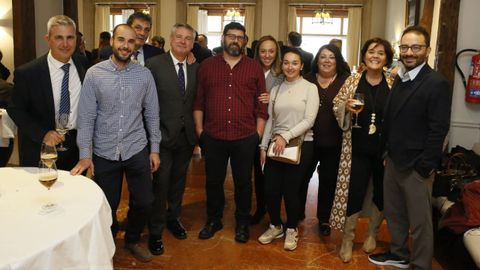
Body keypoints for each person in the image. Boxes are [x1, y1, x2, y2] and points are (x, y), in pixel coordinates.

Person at [70, 24, 161, 263]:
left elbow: (152, 115)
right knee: (106, 206)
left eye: (131, 42)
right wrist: (85, 154)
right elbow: (86, 117)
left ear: (136, 45)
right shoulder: (94, 74)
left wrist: (154, 149)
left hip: (136, 148)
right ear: (112, 40)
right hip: (104, 150)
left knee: (145, 201)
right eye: (121, 40)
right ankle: (107, 245)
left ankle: (132, 239)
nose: (125, 46)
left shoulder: (144, 75)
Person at [368, 26, 451, 270]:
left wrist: (425, 165)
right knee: (395, 214)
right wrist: (386, 153)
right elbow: (394, 119)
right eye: (404, 47)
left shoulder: (436, 83)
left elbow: (439, 129)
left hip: (417, 166)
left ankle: (421, 264)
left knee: (420, 221)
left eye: (416, 47)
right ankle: (399, 253)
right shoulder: (400, 78)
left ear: (427, 50)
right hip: (394, 160)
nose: (409, 52)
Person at [193, 22, 268, 243]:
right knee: (213, 182)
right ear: (223, 38)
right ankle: (213, 220)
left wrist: (257, 136)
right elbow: (199, 102)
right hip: (213, 136)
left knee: (243, 183)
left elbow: (261, 106)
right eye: (231, 36)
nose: (235, 40)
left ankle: (242, 223)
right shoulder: (207, 66)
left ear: (245, 41)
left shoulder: (254, 67)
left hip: (245, 137)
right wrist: (200, 131)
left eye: (240, 37)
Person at [330, 38, 394, 263]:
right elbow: (336, 105)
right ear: (364, 55)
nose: (375, 56)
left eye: (380, 52)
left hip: (385, 151)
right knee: (353, 192)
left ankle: (371, 234)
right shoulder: (352, 80)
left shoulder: (393, 82)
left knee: (381, 192)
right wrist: (345, 109)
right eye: (370, 51)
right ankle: (348, 239)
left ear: (387, 57)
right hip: (356, 149)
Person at [258, 48, 319, 251]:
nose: (290, 66)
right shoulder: (275, 90)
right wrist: (263, 146)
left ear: (302, 66)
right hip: (276, 145)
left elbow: (309, 120)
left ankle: (292, 228)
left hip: (301, 144)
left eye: (294, 63)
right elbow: (270, 121)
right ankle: (276, 225)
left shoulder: (310, 88)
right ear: (281, 65)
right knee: (271, 189)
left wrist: (286, 135)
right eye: (286, 62)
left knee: (291, 190)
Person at [145, 23, 198, 256]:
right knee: (161, 184)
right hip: (162, 137)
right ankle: (155, 230)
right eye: (179, 37)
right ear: (170, 38)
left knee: (178, 182)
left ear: (193, 43)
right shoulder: (154, 65)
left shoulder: (197, 68)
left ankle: (173, 218)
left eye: (188, 38)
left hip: (186, 138)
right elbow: (146, 104)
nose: (183, 41)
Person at [8, 15, 85, 170]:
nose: (65, 44)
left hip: (76, 149)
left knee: (75, 193)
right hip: (41, 149)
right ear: (48, 39)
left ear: (76, 39)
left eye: (70, 37)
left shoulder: (82, 63)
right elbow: (15, 108)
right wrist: (43, 134)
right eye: (58, 38)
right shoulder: (28, 73)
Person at [301, 44, 350, 236]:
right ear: (317, 60)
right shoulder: (306, 79)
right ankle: (297, 212)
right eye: (323, 57)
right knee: (302, 177)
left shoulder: (347, 81)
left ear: (337, 60)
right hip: (308, 140)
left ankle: (324, 219)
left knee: (328, 182)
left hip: (334, 142)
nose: (327, 61)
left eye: (331, 57)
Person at [250, 35, 284, 225]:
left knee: (273, 174)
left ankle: (274, 212)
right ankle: (260, 207)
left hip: (274, 130)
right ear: (258, 52)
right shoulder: (250, 69)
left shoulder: (282, 74)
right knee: (257, 172)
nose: (267, 55)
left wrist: (271, 96)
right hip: (251, 128)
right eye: (263, 51)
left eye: (271, 51)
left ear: (276, 53)